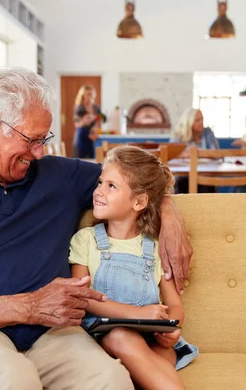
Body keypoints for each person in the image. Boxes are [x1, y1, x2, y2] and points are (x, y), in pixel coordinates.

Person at [0, 68, 193, 390]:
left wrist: (169, 215)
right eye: (31, 140)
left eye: (43, 139)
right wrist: (28, 306)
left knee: (109, 379)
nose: (40, 153)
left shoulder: (58, 175)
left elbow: (140, 182)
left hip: (52, 332)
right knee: (9, 379)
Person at [69, 146, 198, 390]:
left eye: (111, 186)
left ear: (139, 201)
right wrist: (135, 313)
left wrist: (172, 327)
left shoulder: (155, 247)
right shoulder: (86, 240)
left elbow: (174, 304)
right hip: (104, 336)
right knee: (122, 337)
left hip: (151, 339)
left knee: (163, 356)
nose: (98, 191)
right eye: (100, 182)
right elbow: (82, 298)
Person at [171, 108, 219, 193]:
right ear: (189, 122)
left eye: (202, 119)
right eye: (197, 120)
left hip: (206, 175)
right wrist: (203, 154)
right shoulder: (178, 135)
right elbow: (172, 155)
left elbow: (216, 153)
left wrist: (193, 154)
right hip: (184, 177)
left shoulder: (207, 132)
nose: (201, 123)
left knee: (206, 185)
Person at [73, 85, 105, 158]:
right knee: (80, 160)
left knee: (92, 159)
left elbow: (99, 120)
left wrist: (94, 130)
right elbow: (77, 124)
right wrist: (84, 121)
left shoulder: (96, 107)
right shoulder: (79, 107)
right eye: (88, 94)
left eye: (92, 94)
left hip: (93, 136)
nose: (91, 96)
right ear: (83, 95)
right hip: (82, 136)